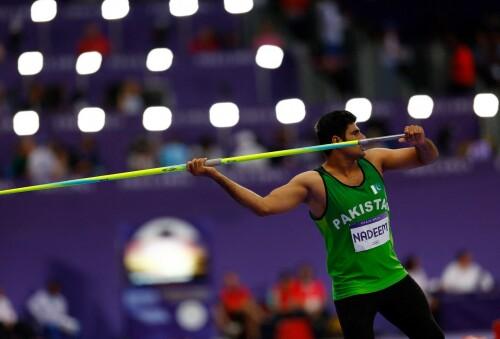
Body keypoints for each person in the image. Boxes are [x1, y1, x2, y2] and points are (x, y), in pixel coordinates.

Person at [187, 110, 443, 338]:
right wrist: (214, 174)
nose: (363, 136)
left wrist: (421, 142)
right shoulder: (313, 183)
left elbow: (427, 157)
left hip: (394, 278)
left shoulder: (375, 159)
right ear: (336, 141)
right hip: (353, 290)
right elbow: (263, 207)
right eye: (355, 132)